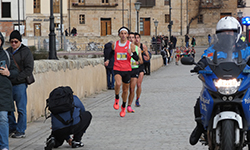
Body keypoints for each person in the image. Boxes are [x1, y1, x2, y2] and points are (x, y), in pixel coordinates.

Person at [189, 16, 250, 146]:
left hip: (240, 83)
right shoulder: (213, 49)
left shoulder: (245, 49)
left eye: (230, 32)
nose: (227, 35)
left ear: (237, 33)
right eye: (224, 33)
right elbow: (206, 57)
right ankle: (200, 126)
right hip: (218, 83)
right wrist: (199, 65)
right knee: (200, 101)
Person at [104, 26, 139, 117]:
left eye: (125, 33)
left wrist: (130, 53)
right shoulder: (114, 44)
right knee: (118, 84)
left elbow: (136, 58)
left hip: (127, 69)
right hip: (117, 68)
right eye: (122, 33)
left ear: (127, 35)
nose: (123, 35)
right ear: (119, 35)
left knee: (125, 90)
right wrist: (107, 59)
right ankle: (116, 98)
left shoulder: (130, 45)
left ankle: (123, 107)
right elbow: (110, 53)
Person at [7, 30, 34, 138]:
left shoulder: (26, 52)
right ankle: (12, 126)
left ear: (20, 42)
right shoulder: (7, 51)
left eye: (16, 41)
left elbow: (29, 69)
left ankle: (21, 130)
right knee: (9, 108)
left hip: (20, 84)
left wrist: (18, 78)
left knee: (21, 108)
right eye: (12, 41)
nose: (13, 44)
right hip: (9, 84)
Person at [0, 32, 18, 150]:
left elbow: (15, 71)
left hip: (4, 92)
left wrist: (8, 73)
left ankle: (4, 146)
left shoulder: (6, 54)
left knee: (3, 118)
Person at [127, 32, 143, 113]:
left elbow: (141, 60)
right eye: (129, 37)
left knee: (132, 89)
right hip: (125, 69)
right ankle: (124, 103)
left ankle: (129, 105)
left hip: (134, 69)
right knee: (125, 89)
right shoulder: (124, 48)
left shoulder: (138, 49)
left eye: (132, 37)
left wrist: (138, 62)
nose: (131, 39)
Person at [134, 33, 150, 107]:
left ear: (140, 38)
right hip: (133, 66)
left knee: (139, 84)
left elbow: (148, 56)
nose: (136, 39)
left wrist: (147, 58)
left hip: (141, 66)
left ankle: (137, 99)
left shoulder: (143, 46)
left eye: (138, 37)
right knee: (132, 86)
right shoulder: (131, 46)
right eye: (135, 38)